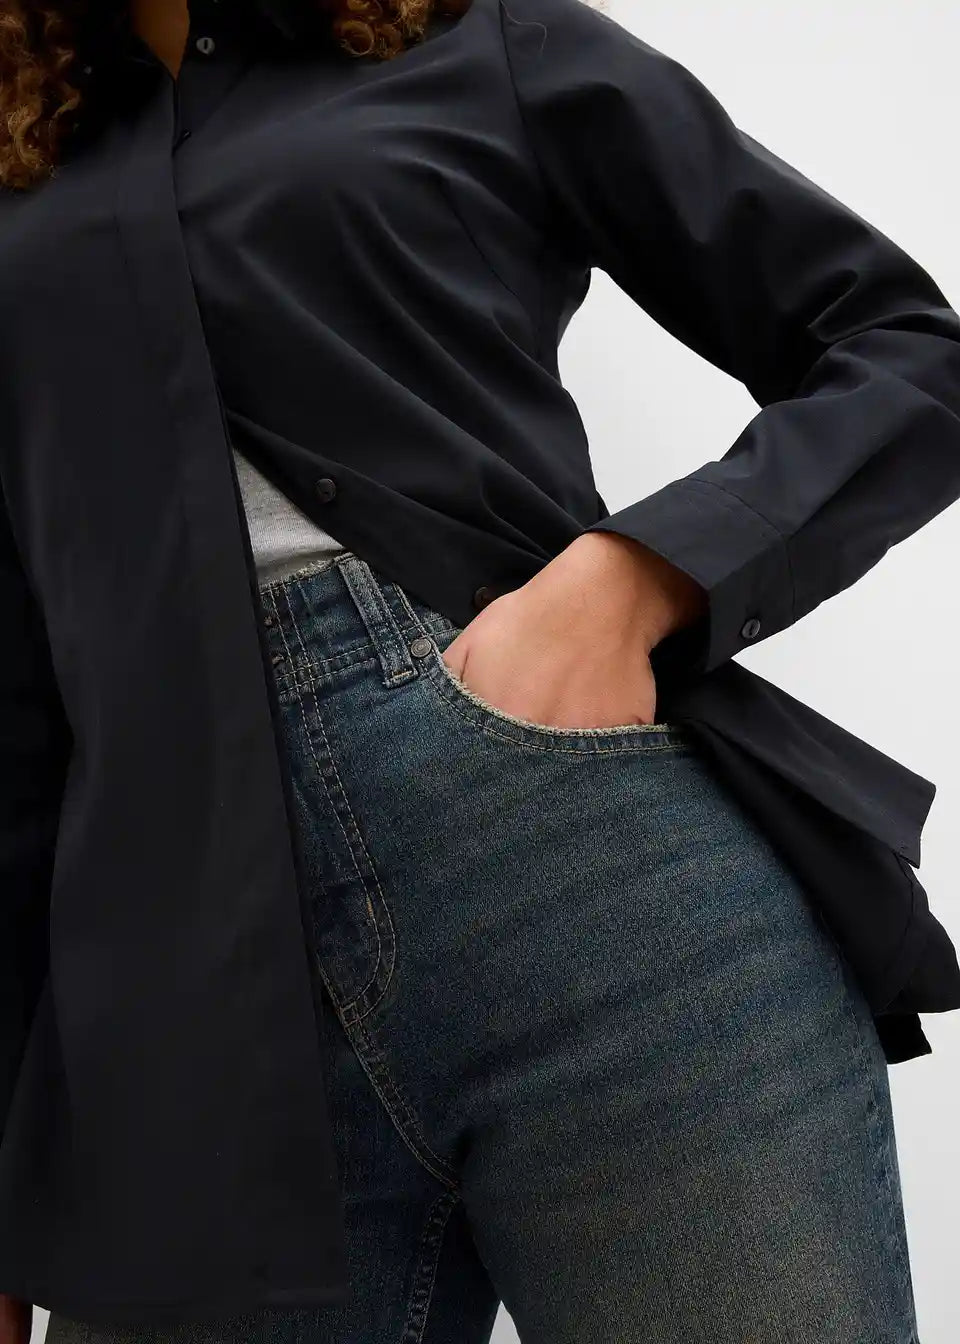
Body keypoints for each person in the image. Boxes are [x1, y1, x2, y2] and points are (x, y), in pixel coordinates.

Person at [1, 0, 959, 1340]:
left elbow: (908, 352)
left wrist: (635, 580)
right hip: (178, 1001)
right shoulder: (22, 168)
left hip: (579, 866)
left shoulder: (481, 38)